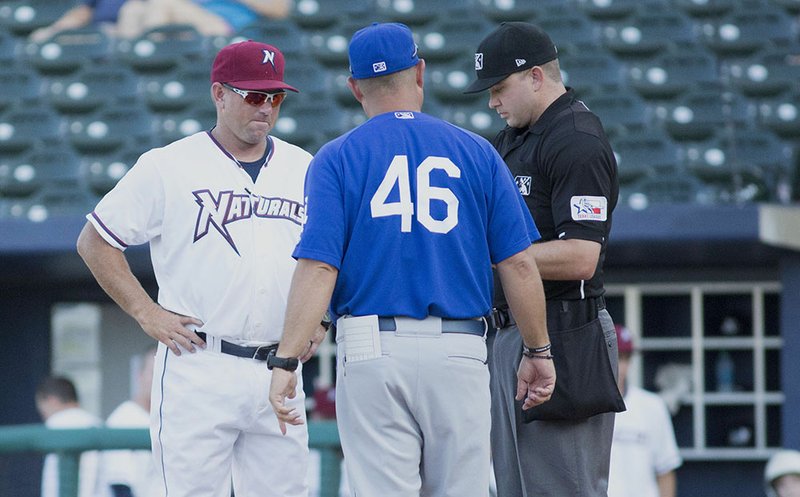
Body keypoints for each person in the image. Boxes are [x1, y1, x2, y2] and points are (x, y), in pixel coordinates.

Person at [269, 21, 554, 497]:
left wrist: (285, 360)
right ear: (420, 72)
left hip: (371, 346)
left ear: (355, 87)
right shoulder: (477, 151)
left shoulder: (337, 157)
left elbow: (319, 266)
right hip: (459, 345)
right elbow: (520, 264)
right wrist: (538, 350)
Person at [76, 39, 321, 497]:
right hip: (201, 363)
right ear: (219, 94)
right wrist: (147, 312)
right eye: (253, 95)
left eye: (275, 97)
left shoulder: (302, 166)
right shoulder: (169, 165)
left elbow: (329, 255)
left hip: (280, 366)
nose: (265, 107)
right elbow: (95, 241)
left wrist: (320, 318)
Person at [464, 21, 623, 497]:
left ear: (535, 76)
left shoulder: (576, 136)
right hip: (509, 332)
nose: (492, 101)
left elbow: (580, 257)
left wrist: (501, 259)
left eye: (499, 88)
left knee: (563, 489)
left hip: (566, 331)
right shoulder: (511, 138)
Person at [607, 324, 682, 497]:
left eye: (625, 358)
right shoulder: (587, 408)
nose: (620, 365)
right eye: (615, 357)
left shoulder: (653, 406)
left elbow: (665, 469)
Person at [99, 346, 161, 497]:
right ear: (140, 376)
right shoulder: (124, 418)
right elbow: (119, 484)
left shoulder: (172, 419)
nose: (160, 380)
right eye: (154, 373)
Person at [35, 376, 102, 497]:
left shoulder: (55, 423)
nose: (44, 417)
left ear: (51, 401)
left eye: (43, 412)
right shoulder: (98, 424)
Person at [115, 0, 290, 39]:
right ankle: (126, 65)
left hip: (230, 30)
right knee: (132, 8)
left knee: (164, 3)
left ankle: (149, 53)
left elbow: (281, 9)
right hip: (192, 27)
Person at [28, 0, 126, 43]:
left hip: (120, 31)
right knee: (42, 36)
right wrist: (52, 30)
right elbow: (84, 11)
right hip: (94, 29)